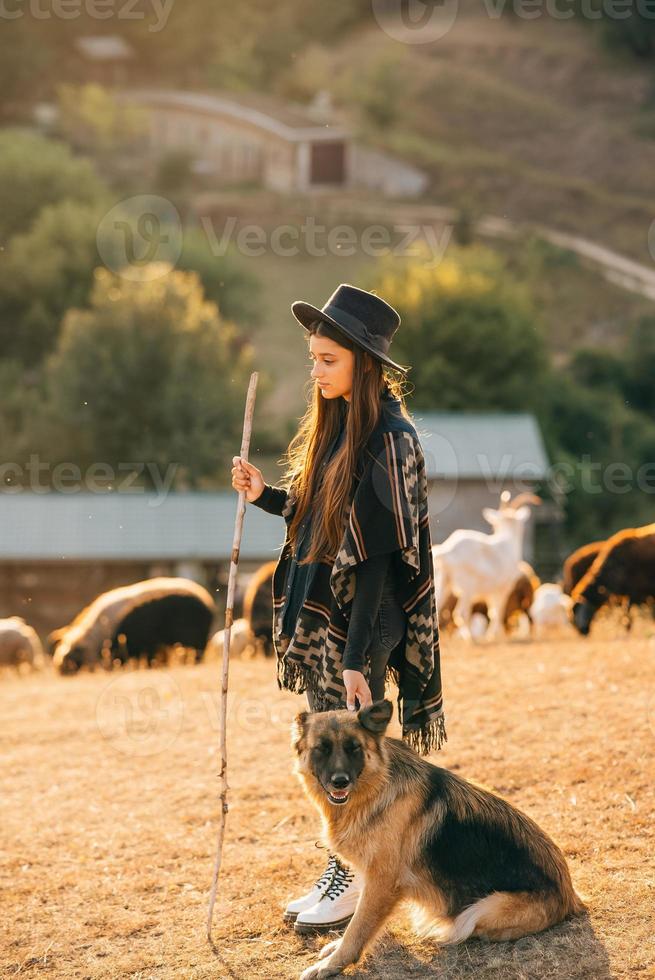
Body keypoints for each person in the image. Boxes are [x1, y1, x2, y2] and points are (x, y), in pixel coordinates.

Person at [231, 283, 445, 935]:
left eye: (327, 358)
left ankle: (356, 879)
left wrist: (356, 660)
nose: (315, 370)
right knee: (334, 757)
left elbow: (379, 558)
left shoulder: (391, 439)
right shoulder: (340, 423)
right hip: (326, 616)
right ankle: (342, 867)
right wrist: (265, 495)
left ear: (363, 360)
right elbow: (317, 513)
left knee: (353, 757)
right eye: (313, 358)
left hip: (361, 623)